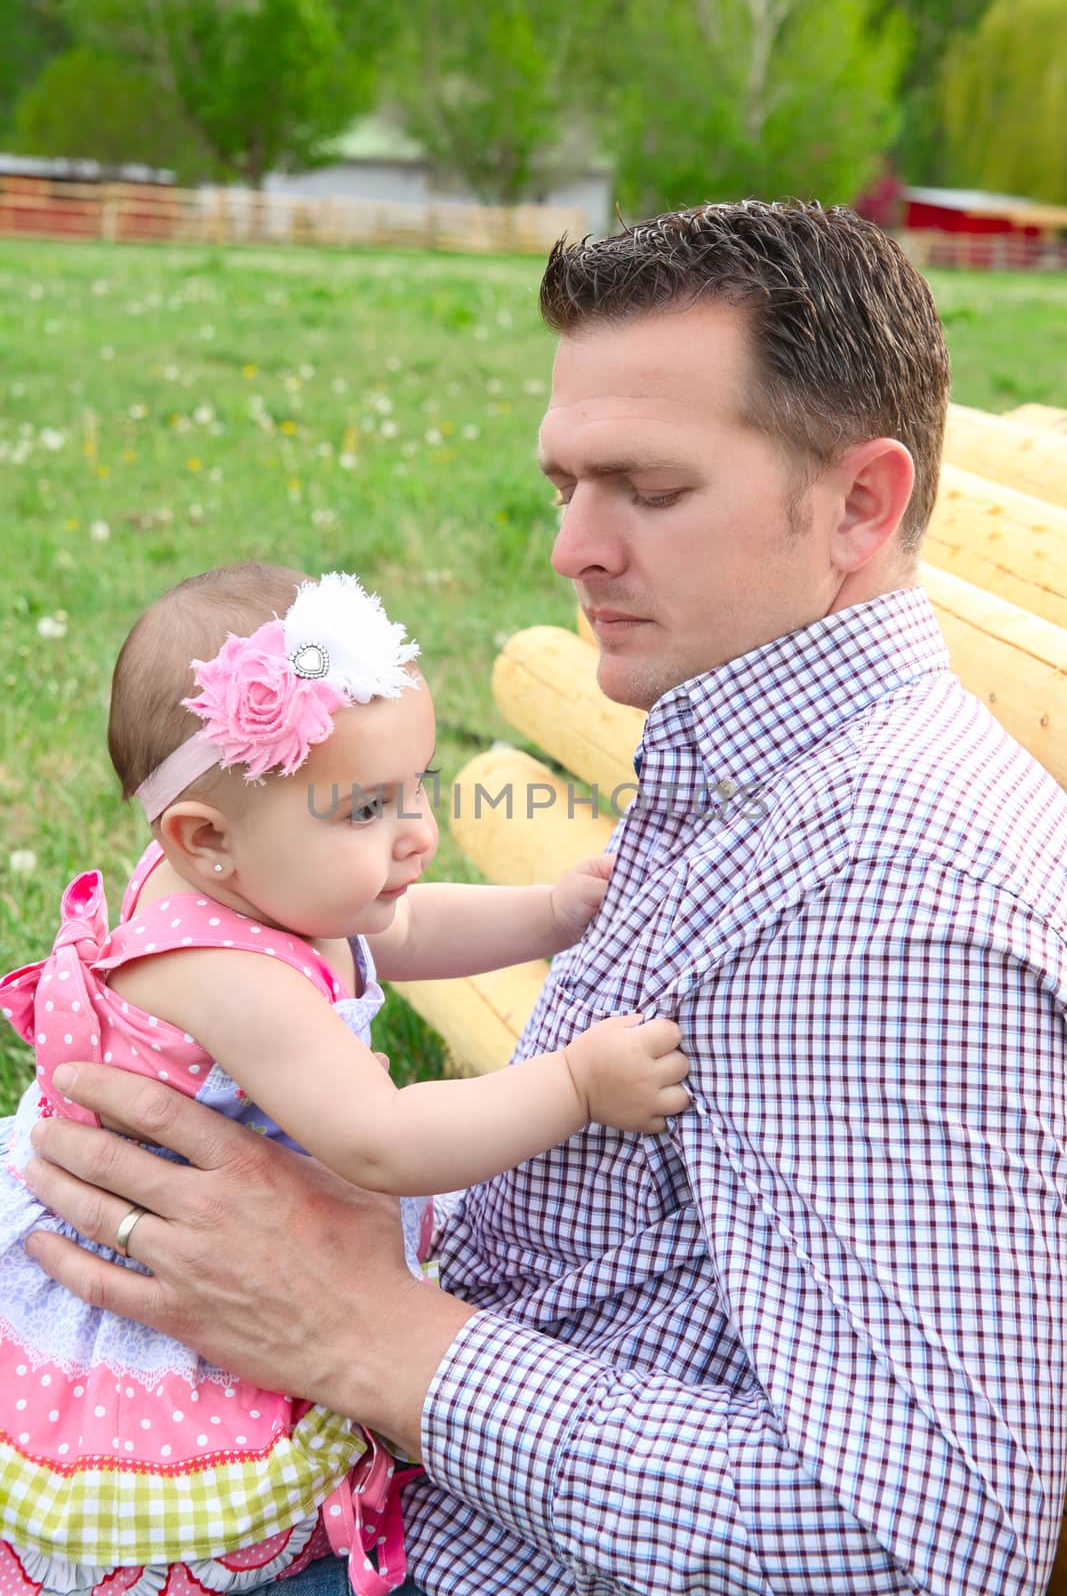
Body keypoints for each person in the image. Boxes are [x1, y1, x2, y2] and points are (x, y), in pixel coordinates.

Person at [21, 199, 1067, 1595]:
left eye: (646, 487)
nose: (573, 545)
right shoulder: (754, 761)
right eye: (565, 482)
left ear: (860, 504)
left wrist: (368, 1341)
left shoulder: (892, 907)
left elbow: (917, 1543)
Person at [0, 563, 689, 1596]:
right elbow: (381, 1138)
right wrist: (577, 1087)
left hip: (231, 1203)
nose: (415, 830)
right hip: (176, 1277)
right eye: (364, 807)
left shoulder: (274, 886)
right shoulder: (228, 974)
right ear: (207, 842)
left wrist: (546, 910)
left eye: (411, 787)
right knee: (232, 1490)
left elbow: (402, 924)